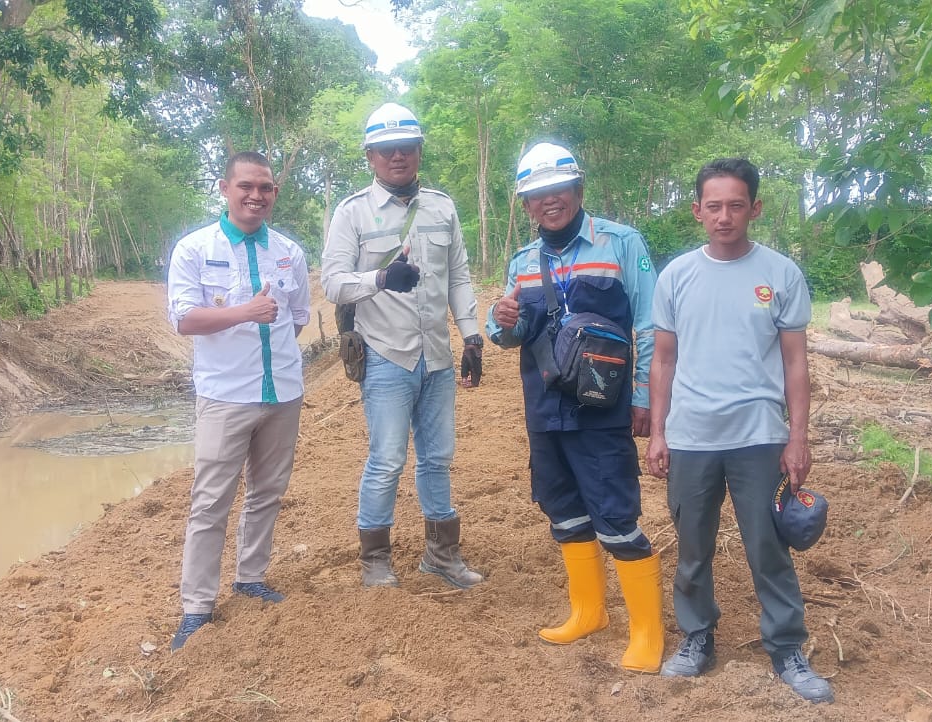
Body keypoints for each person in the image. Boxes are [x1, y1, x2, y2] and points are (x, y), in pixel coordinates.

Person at [646, 158, 833, 703]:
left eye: (735, 205)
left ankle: (787, 648)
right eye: (713, 206)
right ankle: (697, 638)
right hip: (691, 436)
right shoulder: (676, 276)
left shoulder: (780, 274)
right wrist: (658, 432)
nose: (724, 216)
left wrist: (797, 437)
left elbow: (795, 363)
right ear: (697, 210)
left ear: (755, 208)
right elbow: (663, 361)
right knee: (692, 548)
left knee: (768, 546)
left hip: (759, 435)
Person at [485, 142, 664, 672]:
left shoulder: (620, 243)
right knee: (563, 510)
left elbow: (651, 326)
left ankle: (647, 633)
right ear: (526, 205)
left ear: (578, 189)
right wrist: (501, 319)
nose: (549, 201)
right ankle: (589, 612)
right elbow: (508, 333)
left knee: (616, 514)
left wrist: (643, 397)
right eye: (537, 194)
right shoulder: (523, 261)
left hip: (603, 410)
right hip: (544, 409)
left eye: (558, 189)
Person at [321, 102, 484, 589]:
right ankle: (375, 560)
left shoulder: (442, 207)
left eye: (407, 147)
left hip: (437, 356)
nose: (398, 156)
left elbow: (458, 276)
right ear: (370, 156)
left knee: (437, 458)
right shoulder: (352, 212)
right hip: (385, 355)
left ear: (418, 151)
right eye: (387, 149)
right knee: (387, 459)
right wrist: (380, 279)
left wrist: (471, 334)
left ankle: (442, 554)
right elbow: (332, 282)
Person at [165, 151, 311, 651]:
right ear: (225, 188)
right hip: (224, 396)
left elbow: (297, 318)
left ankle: (251, 577)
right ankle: (197, 607)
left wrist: (266, 339)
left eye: (265, 188)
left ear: (274, 193)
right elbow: (185, 319)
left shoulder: (289, 252)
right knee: (210, 503)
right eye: (246, 186)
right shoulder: (193, 249)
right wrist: (245, 312)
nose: (256, 195)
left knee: (267, 492)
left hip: (282, 392)